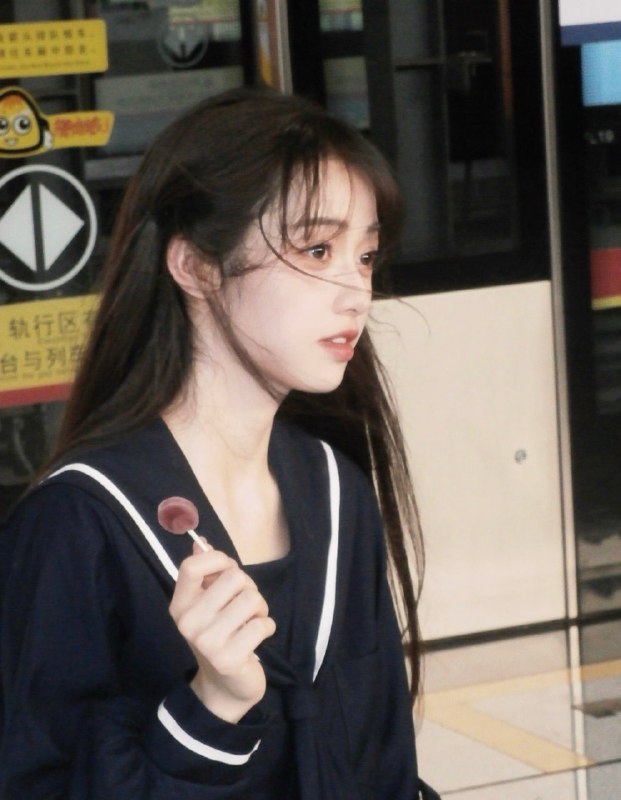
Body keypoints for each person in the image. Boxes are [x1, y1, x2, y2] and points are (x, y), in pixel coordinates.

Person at [0, 86, 439, 799]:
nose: (356, 292)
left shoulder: (337, 491)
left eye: (364, 257)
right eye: (317, 249)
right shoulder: (78, 523)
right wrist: (211, 709)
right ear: (196, 267)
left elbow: (382, 763)